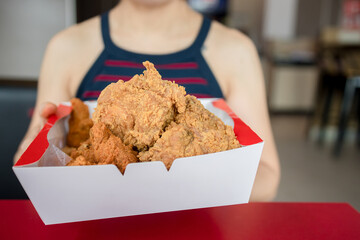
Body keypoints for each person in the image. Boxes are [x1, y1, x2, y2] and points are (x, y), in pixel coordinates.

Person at [14, 0, 280, 201]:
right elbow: (31, 162)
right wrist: (37, 148)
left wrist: (189, 186)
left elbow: (267, 175)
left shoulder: (236, 50)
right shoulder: (66, 47)